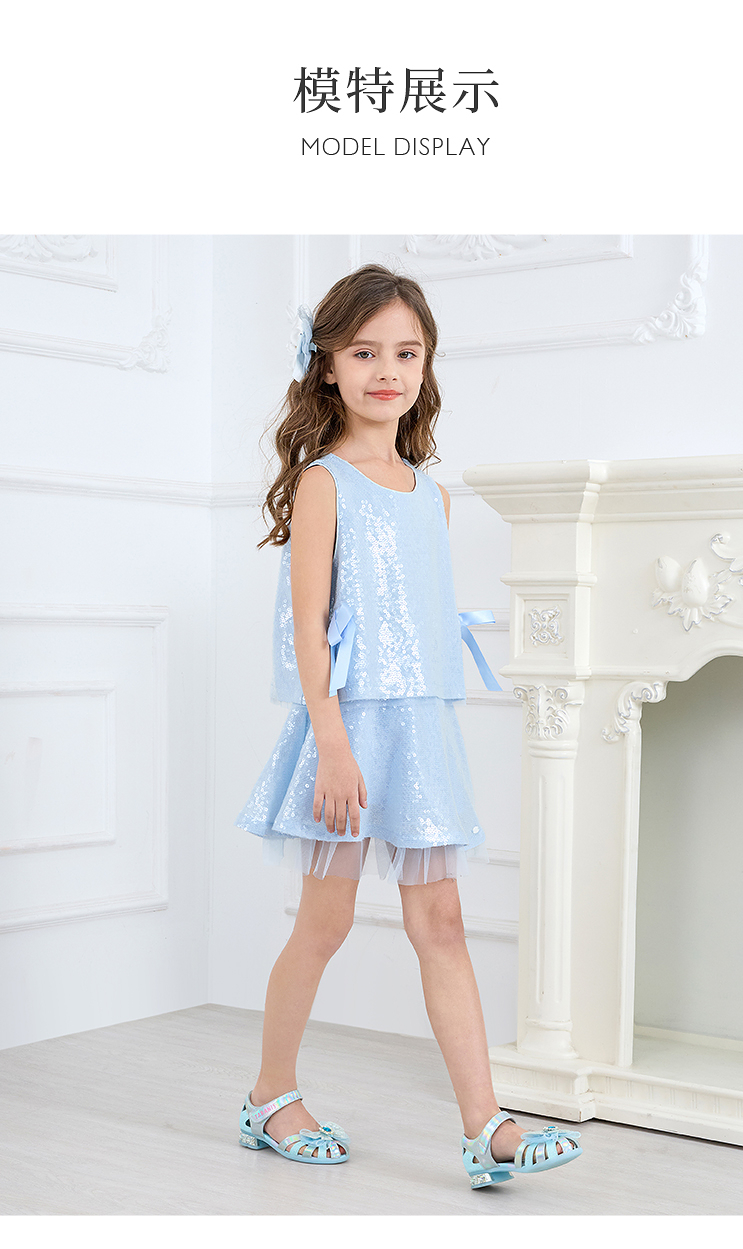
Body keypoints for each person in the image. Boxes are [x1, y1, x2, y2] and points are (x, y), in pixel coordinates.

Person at [235, 264, 583, 1188]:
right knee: (325, 921)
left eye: (405, 352)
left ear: (425, 366)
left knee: (444, 920)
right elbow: (308, 627)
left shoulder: (431, 494)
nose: (386, 370)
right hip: (348, 730)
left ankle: (486, 1126)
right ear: (327, 365)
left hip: (422, 732)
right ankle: (270, 1094)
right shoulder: (325, 484)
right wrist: (332, 743)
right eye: (364, 352)